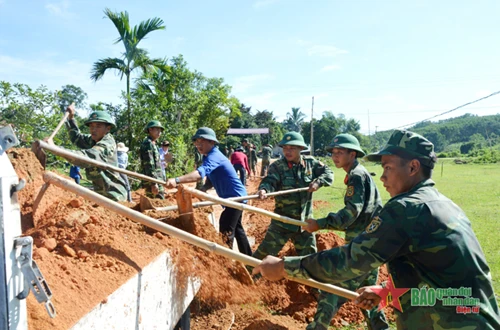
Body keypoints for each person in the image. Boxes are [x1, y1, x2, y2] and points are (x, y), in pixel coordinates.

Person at [253, 130, 500, 330]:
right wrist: (387, 292)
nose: (382, 178)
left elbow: (349, 261)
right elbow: (447, 286)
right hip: (467, 316)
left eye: (388, 168)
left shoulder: (406, 208)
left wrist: (285, 267)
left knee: (335, 287)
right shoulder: (443, 203)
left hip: (452, 324)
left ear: (413, 168)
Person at [251, 131, 335, 330]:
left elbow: (328, 173)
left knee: (311, 259)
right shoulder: (277, 166)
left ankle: (318, 294)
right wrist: (264, 190)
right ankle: (245, 281)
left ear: (300, 149)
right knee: (263, 254)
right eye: (285, 148)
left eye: (292, 148)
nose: (288, 151)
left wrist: (317, 182)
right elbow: (269, 181)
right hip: (281, 222)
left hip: (304, 225)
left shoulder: (312, 164)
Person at [305, 134, 388, 329]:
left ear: (352, 154)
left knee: (332, 288)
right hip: (371, 244)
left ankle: (318, 327)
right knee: (368, 294)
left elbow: (351, 212)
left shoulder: (357, 176)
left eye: (340, 152)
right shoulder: (358, 173)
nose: (335, 156)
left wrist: (320, 223)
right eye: (333, 152)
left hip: (361, 246)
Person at [166, 127, 252, 256]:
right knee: (238, 229)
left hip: (235, 198)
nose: (198, 145)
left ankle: (226, 260)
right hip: (232, 198)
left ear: (212, 142)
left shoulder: (214, 156)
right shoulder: (208, 157)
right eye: (196, 142)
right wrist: (203, 189)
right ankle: (249, 261)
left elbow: (200, 174)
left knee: (225, 227)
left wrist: (177, 180)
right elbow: (211, 178)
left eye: (202, 141)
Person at [53, 105, 127, 201]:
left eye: (98, 126)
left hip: (114, 196)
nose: (93, 129)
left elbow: (90, 156)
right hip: (100, 195)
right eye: (91, 126)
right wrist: (71, 118)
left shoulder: (107, 143)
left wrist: (57, 149)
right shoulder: (93, 140)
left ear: (108, 129)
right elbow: (77, 138)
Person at [140, 120, 165, 199]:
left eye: (160, 130)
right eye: (157, 129)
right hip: (153, 181)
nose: (159, 132)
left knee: (156, 202)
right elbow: (149, 164)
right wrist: (153, 183)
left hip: (157, 179)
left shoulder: (154, 143)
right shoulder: (148, 144)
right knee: (158, 201)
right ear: (150, 130)